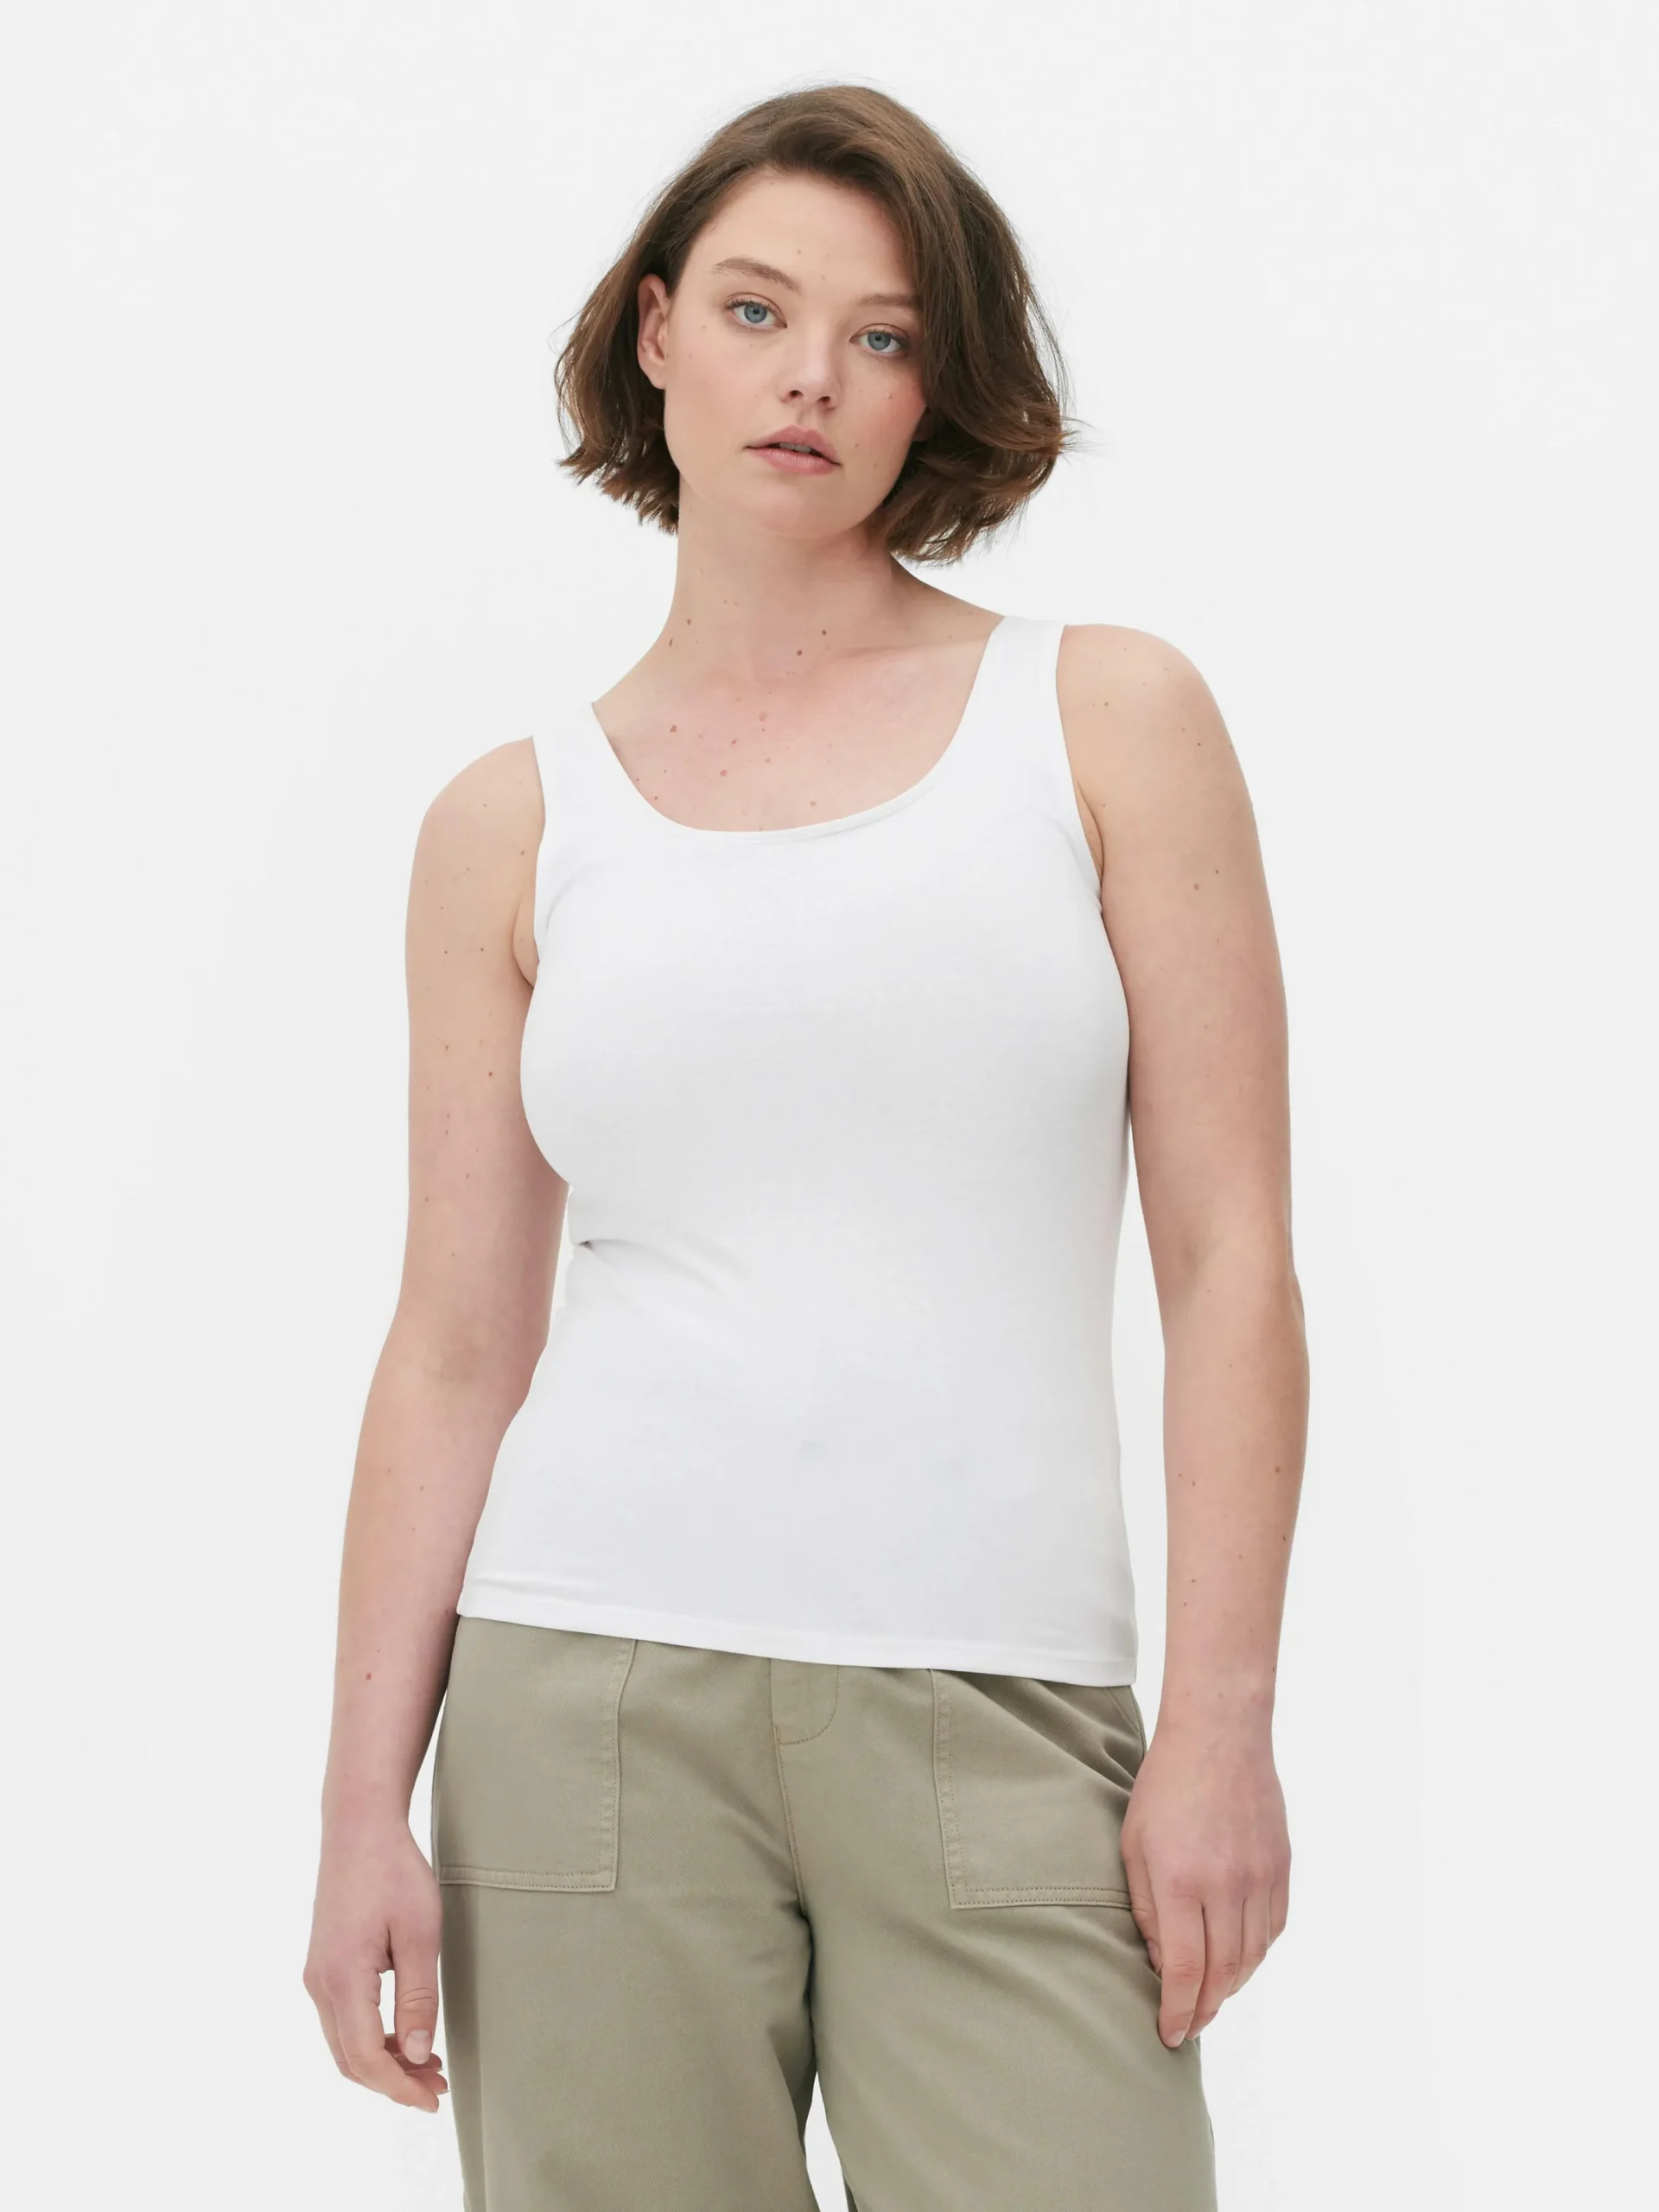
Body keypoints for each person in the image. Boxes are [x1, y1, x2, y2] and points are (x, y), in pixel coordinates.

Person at [303, 81, 1306, 2212]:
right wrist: (355, 1808)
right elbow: (455, 1340)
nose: (812, 379)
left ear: (938, 383)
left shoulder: (1106, 718)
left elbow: (1230, 1258)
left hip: (1001, 1699)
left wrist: (1223, 1723)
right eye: (759, 311)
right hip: (581, 1708)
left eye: (884, 335)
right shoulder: (511, 822)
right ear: (657, 329)